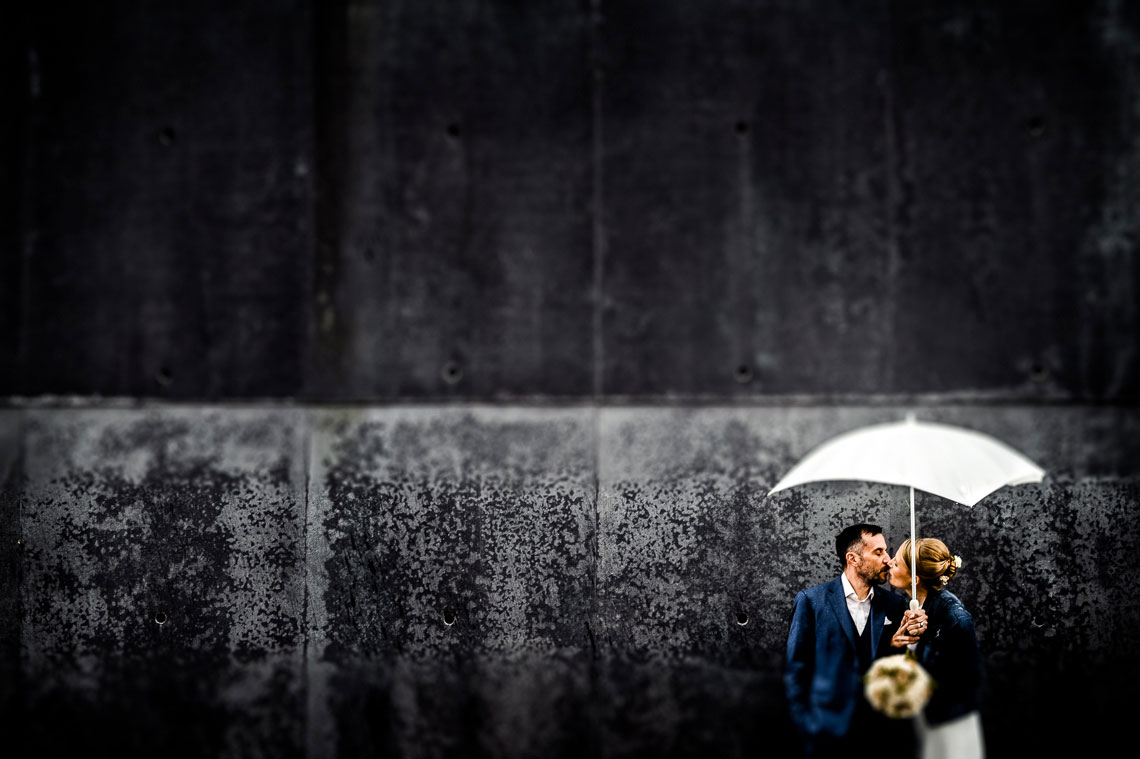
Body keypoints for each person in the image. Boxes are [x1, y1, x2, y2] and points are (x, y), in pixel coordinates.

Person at [785, 524, 927, 758]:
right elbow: (796, 668)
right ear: (853, 558)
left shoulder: (895, 604)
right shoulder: (811, 601)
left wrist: (910, 640)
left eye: (887, 551)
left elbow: (903, 667)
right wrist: (807, 724)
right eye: (878, 552)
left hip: (880, 734)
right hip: (826, 732)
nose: (888, 560)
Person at [888, 537, 985, 759]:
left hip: (952, 722)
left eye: (898, 561)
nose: (890, 562)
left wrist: (923, 645)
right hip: (927, 717)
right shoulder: (910, 607)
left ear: (915, 578)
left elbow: (967, 678)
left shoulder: (955, 617)